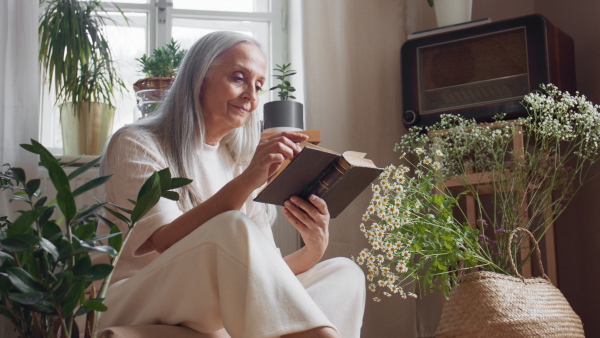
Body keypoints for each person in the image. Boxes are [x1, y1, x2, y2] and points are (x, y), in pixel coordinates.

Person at [97, 31, 365, 338]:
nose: (251, 95)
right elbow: (163, 241)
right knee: (230, 226)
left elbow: (260, 276)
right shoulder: (138, 143)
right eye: (239, 78)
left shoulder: (237, 162)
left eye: (259, 85)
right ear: (199, 78)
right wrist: (250, 178)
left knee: (343, 273)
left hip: (209, 305)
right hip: (135, 298)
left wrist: (314, 250)